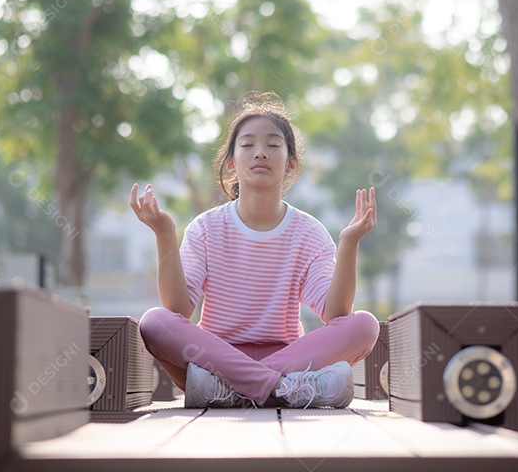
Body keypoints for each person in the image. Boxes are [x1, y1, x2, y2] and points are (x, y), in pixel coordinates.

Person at [129, 91, 381, 408]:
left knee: (364, 325)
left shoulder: (309, 233)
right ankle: (285, 390)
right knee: (154, 322)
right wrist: (164, 233)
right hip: (215, 358)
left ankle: (233, 390)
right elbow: (178, 309)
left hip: (283, 359)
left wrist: (349, 243)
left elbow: (336, 315)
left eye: (273, 145)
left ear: (290, 163)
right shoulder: (205, 228)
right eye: (248, 145)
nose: (260, 152)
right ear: (232, 163)